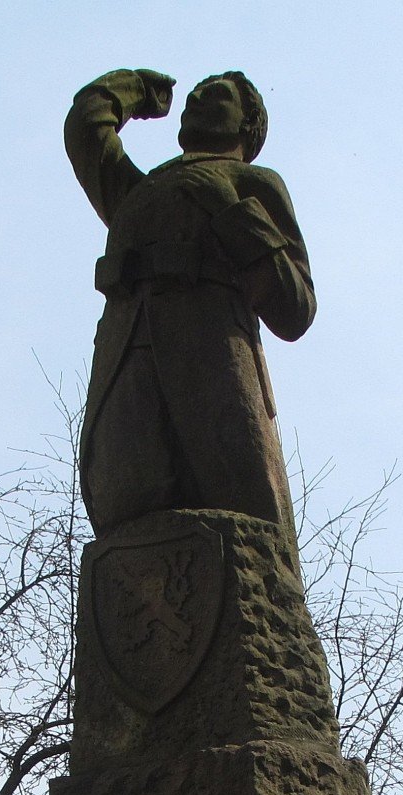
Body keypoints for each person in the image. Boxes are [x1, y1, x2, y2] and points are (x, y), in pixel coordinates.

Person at [64, 68, 315, 535]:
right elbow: (86, 131)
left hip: (213, 364)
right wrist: (133, 89)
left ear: (248, 124)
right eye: (195, 92)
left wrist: (232, 210)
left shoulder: (253, 182)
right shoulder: (138, 194)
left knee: (244, 522)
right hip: (127, 359)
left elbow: (294, 307)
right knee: (125, 513)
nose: (196, 98)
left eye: (215, 94)